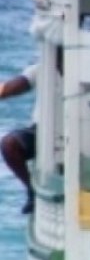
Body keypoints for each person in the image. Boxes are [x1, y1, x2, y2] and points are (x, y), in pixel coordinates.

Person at [0, 63, 39, 214]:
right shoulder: (42, 69)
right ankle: (31, 189)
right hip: (43, 131)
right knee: (9, 144)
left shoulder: (85, 67)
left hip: (79, 128)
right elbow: (11, 88)